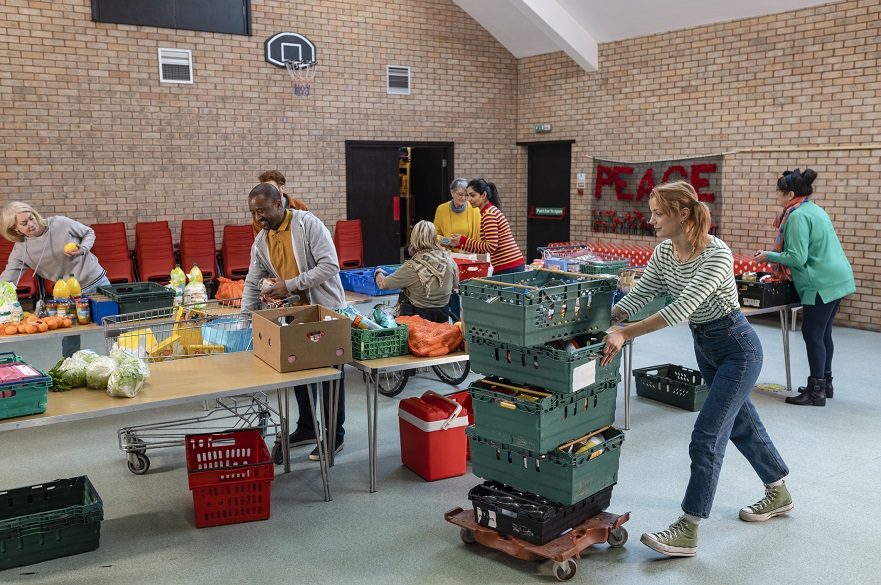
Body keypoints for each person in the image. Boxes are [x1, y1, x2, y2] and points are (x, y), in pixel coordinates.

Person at [602, 181, 791, 558]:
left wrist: (624, 333)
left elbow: (678, 310)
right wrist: (611, 314)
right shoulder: (664, 252)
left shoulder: (716, 254)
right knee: (740, 423)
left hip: (738, 348)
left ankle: (688, 527)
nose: (651, 220)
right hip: (705, 346)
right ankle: (779, 490)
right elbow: (644, 293)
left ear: (683, 214)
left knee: (707, 435)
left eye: (658, 213)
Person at [241, 183, 346, 461]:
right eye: (253, 212)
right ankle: (308, 427)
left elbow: (330, 265)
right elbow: (253, 281)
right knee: (296, 371)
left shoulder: (307, 225)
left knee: (329, 377)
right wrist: (245, 318)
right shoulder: (261, 241)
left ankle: (335, 436)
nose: (258, 217)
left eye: (262, 210)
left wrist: (289, 284)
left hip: (325, 312)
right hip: (295, 315)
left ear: (279, 204)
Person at [754, 168, 855, 407]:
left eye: (779, 191)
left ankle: (815, 392)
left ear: (789, 195)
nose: (776, 195)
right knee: (823, 333)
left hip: (820, 282)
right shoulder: (814, 209)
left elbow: (797, 258)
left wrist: (768, 255)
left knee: (812, 334)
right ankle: (824, 384)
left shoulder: (797, 216)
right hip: (837, 278)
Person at [1, 202, 110, 357]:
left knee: (113, 325)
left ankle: (125, 356)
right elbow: (6, 281)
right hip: (67, 293)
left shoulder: (60, 223)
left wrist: (83, 248)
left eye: (32, 218)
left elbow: (88, 232)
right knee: (70, 335)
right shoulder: (21, 250)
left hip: (97, 282)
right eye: (24, 224)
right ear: (15, 229)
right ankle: (69, 367)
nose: (31, 224)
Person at [374, 220, 458, 323]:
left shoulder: (410, 268)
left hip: (415, 325)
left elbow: (382, 285)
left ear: (413, 239)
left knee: (379, 310)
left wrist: (378, 273)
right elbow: (455, 286)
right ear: (435, 238)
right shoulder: (450, 263)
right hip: (442, 322)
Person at [448, 178, 525, 275]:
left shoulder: (489, 215)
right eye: (467, 195)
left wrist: (464, 240)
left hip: (508, 266)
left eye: (473, 195)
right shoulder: (488, 212)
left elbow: (491, 247)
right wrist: (460, 244)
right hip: (509, 265)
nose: (468, 199)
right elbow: (484, 247)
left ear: (484, 195)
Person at [251, 170, 309, 237]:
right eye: (264, 189)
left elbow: (307, 233)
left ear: (282, 188)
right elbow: (260, 241)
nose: (267, 193)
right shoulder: (259, 213)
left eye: (272, 188)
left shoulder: (300, 206)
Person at [433, 178, 481, 252]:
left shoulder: (474, 210)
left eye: (466, 195)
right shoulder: (441, 209)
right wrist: (448, 242)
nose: (463, 198)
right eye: (460, 194)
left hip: (468, 255)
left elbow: (479, 236)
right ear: (452, 192)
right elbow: (435, 235)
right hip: (448, 256)